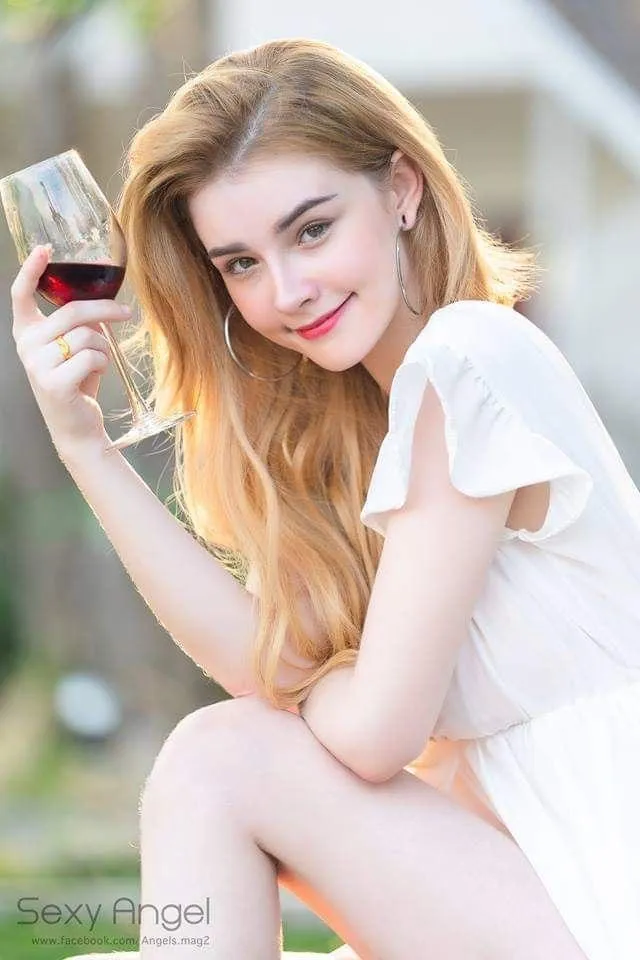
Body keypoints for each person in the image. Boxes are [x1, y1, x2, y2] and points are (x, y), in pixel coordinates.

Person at [10, 34, 639, 960]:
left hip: (602, 888)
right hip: (524, 883)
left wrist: (323, 690)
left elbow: (373, 734)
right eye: (241, 264)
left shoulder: (468, 358)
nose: (289, 291)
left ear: (402, 189)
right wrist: (83, 444)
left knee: (218, 759)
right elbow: (274, 668)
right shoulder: (366, 427)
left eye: (311, 229)